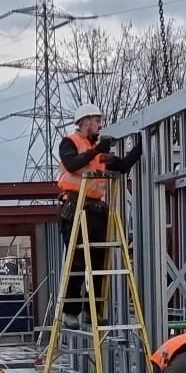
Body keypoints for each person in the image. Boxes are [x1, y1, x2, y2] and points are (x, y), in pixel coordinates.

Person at [56, 102, 144, 328]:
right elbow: (72, 164)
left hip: (95, 209)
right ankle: (71, 311)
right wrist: (97, 150)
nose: (99, 125)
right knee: (76, 260)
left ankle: (92, 310)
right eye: (96, 121)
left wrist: (141, 146)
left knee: (97, 261)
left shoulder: (97, 151)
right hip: (75, 207)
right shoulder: (70, 143)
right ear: (85, 122)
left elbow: (121, 166)